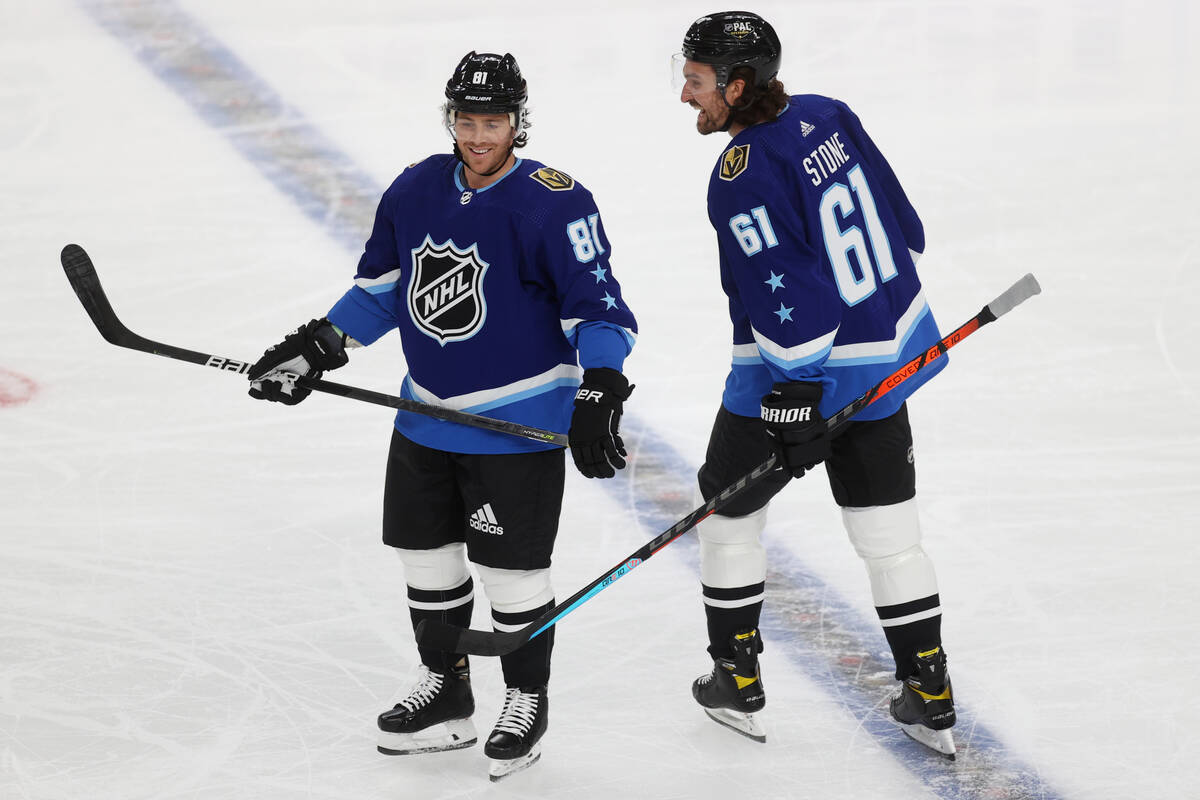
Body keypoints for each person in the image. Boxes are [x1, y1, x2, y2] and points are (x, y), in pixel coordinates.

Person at [246, 50, 637, 781]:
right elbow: (384, 289)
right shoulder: (417, 188)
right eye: (467, 119)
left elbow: (598, 305)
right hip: (424, 415)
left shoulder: (556, 202)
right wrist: (316, 348)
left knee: (511, 574)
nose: (479, 135)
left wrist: (601, 386)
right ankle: (448, 691)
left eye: (493, 121)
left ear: (518, 122)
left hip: (510, 425)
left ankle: (525, 698)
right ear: (449, 117)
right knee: (424, 559)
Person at [672, 12, 957, 758]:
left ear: (737, 86)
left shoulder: (742, 173)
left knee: (727, 514)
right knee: (889, 531)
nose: (686, 96)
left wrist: (797, 385)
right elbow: (900, 215)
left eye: (697, 81)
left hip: (801, 375)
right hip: (883, 360)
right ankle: (930, 692)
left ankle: (737, 678)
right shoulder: (825, 115)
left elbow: (784, 293)